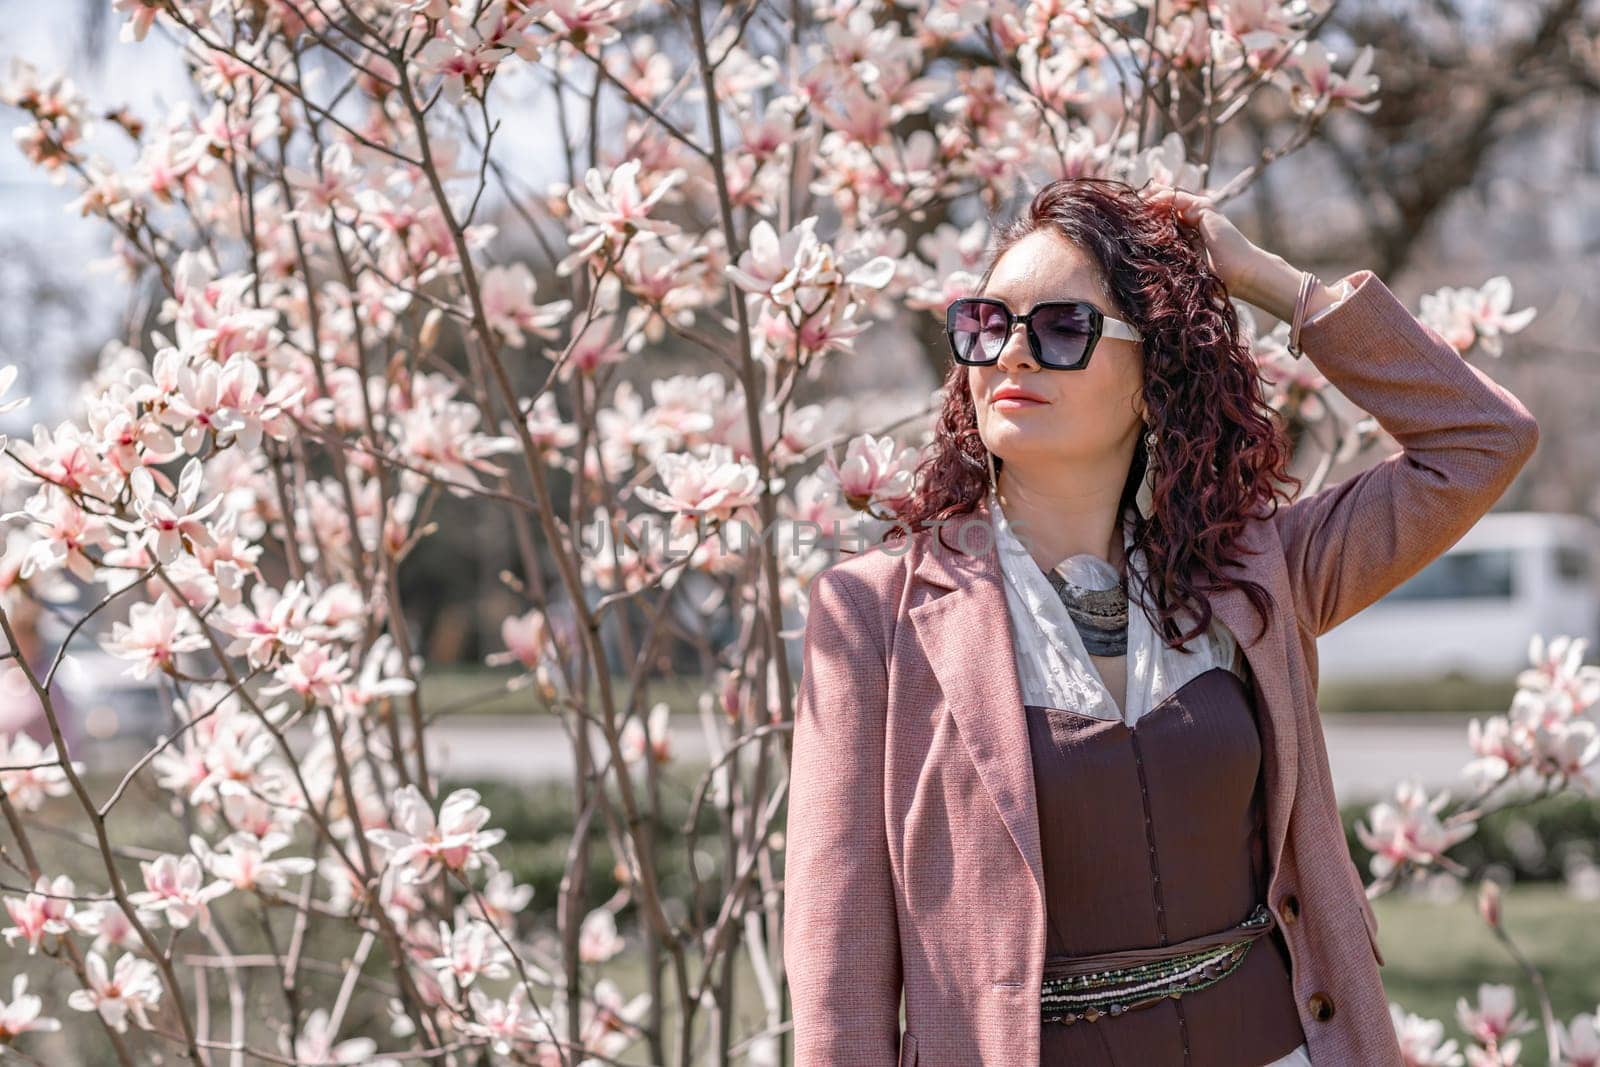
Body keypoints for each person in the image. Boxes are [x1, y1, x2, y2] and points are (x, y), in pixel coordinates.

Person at [782, 176, 1539, 1067]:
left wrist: (1264, 279)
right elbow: (840, 972)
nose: (1013, 356)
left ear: (1155, 379)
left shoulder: (1254, 581)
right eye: (987, 325)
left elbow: (1480, 439)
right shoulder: (875, 615)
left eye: (1063, 328)